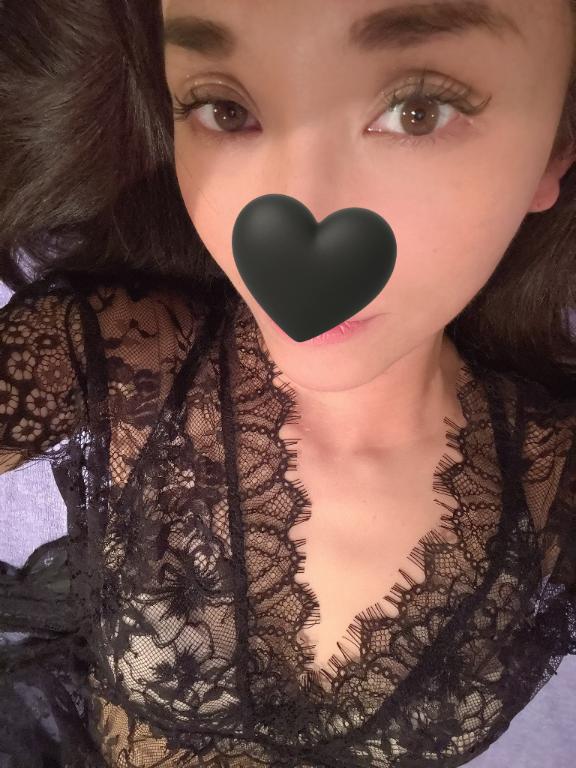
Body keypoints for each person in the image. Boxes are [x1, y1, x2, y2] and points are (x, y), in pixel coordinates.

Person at [0, 1, 575, 766]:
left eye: (417, 109)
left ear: (555, 147)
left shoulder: (556, 482)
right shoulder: (120, 355)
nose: (291, 210)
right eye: (224, 109)